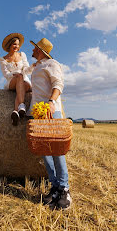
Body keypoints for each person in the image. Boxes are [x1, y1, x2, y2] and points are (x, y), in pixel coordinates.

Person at [26, 37, 72, 210]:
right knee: (45, 152)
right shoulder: (37, 66)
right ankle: (54, 187)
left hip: (51, 110)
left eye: (34, 48)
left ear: (40, 50)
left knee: (57, 151)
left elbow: (58, 84)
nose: (31, 51)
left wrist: (51, 102)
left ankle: (64, 189)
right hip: (37, 113)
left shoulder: (52, 63)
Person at [0, 32, 32, 126]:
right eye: (14, 44)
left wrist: (32, 67)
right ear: (10, 45)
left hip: (25, 81)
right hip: (12, 81)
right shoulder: (3, 59)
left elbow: (26, 70)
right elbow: (6, 74)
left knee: (22, 83)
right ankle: (22, 104)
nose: (16, 46)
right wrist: (15, 74)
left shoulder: (22, 55)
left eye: (18, 44)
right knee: (19, 77)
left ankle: (15, 112)